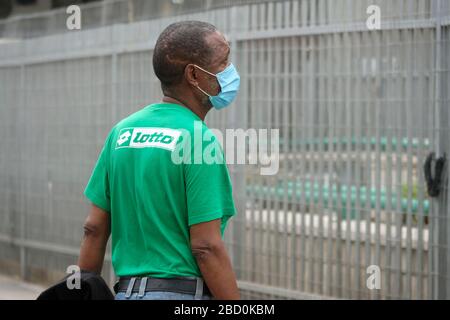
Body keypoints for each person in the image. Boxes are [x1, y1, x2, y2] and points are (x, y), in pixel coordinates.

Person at [78, 20, 241, 300]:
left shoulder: (122, 133)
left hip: (125, 293)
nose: (230, 71)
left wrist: (78, 293)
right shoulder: (198, 139)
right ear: (194, 75)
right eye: (223, 63)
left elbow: (94, 228)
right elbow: (206, 247)